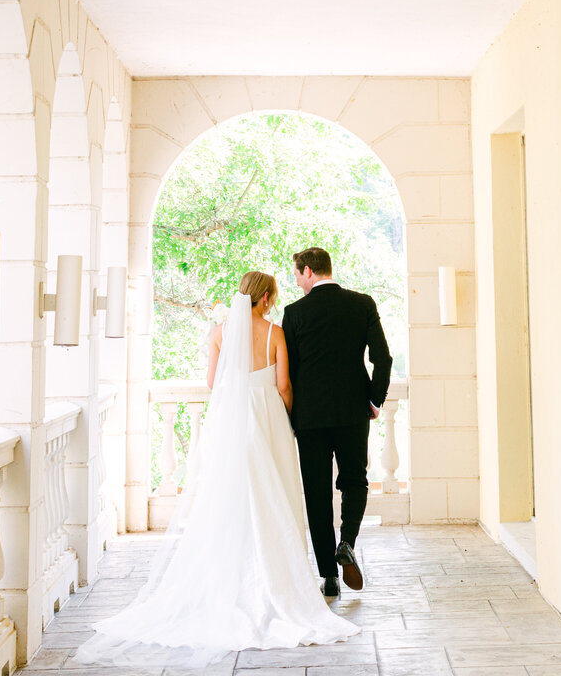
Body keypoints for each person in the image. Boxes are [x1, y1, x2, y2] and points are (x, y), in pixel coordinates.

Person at [75, 271, 358, 667]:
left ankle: (231, 576)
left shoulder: (219, 333)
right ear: (265, 299)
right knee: (274, 495)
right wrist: (286, 421)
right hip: (268, 418)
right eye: (273, 297)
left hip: (233, 418)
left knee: (231, 497)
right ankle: (279, 579)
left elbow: (213, 382)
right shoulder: (275, 334)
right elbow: (284, 387)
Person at [283, 247, 392, 599]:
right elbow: (383, 359)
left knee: (317, 494)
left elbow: (290, 372)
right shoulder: (362, 304)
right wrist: (374, 400)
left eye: (298, 274)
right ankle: (346, 542)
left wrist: (290, 415)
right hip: (352, 412)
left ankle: (328, 576)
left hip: (310, 417)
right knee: (355, 481)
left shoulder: (294, 313)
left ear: (310, 271)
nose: (297, 281)